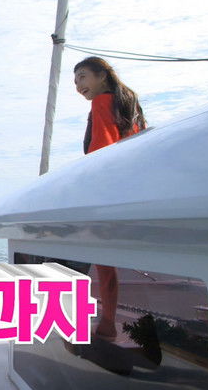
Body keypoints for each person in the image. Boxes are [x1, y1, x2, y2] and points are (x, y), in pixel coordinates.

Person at [72, 57, 151, 374]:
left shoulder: (103, 102)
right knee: (112, 263)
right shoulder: (128, 104)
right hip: (130, 190)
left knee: (104, 264)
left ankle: (105, 327)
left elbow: (100, 150)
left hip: (106, 194)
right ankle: (109, 324)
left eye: (82, 77)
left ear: (103, 76)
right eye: (75, 80)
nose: (78, 85)